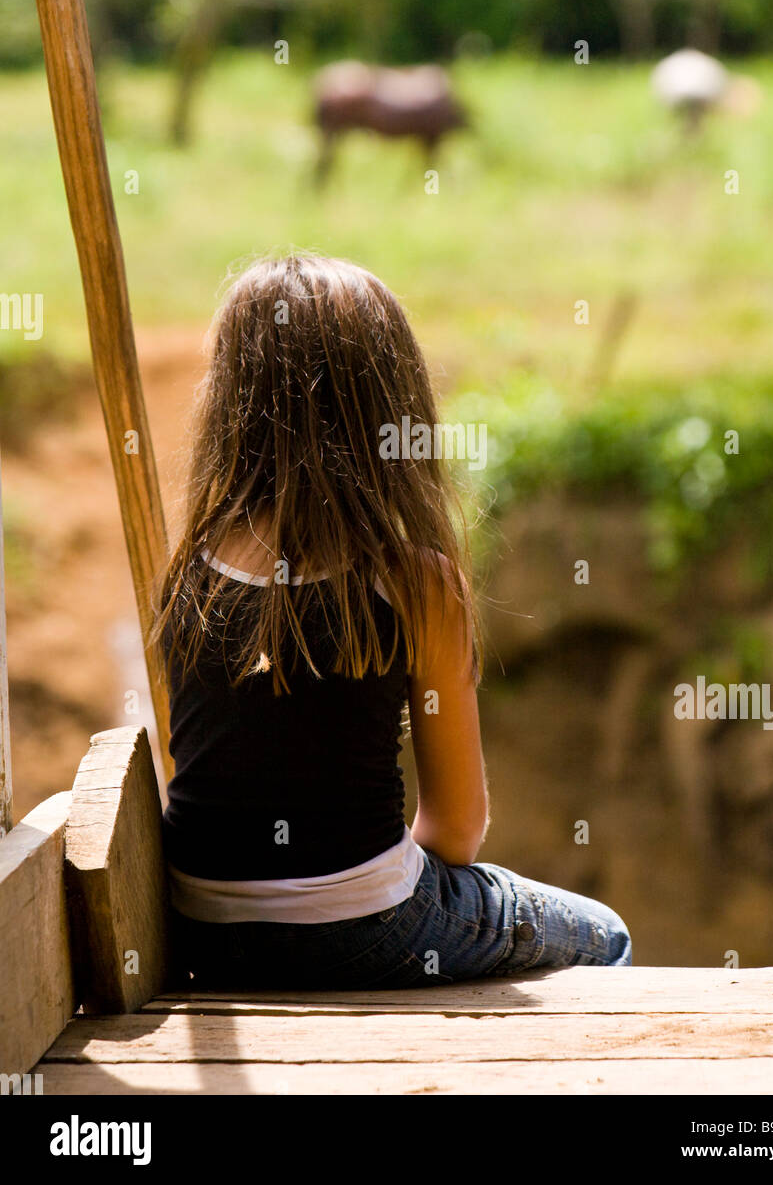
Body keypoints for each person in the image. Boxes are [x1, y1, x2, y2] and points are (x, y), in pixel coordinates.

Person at [152, 250, 631, 990]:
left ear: (230, 398)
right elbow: (458, 829)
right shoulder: (414, 582)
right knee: (606, 937)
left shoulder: (191, 572)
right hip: (373, 928)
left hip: (208, 935)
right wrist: (358, 888)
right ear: (391, 402)